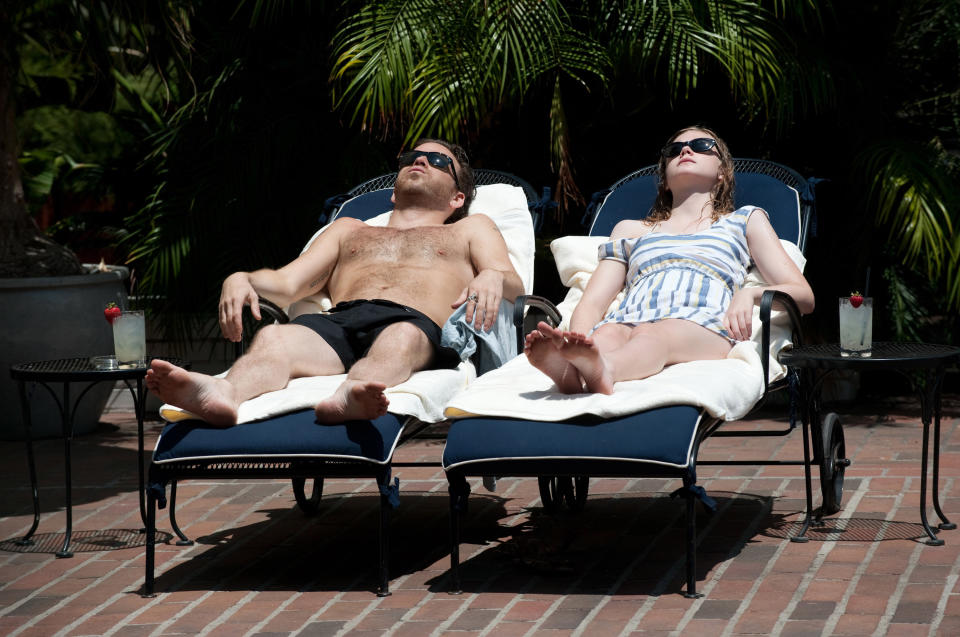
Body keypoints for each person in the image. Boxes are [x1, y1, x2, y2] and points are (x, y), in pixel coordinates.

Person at [147, 139, 524, 425]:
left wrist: (492, 275)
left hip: (415, 323)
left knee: (400, 337)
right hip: (340, 321)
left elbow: (513, 283)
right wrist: (241, 277)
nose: (420, 160)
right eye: (411, 157)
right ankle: (224, 393)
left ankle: (351, 395)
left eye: (439, 161)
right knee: (275, 338)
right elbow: (288, 283)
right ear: (393, 192)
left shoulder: (470, 229)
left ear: (458, 197)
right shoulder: (348, 230)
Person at [526, 125, 815, 394]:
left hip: (703, 326)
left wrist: (751, 294)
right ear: (664, 179)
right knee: (607, 335)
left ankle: (606, 370)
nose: (685, 151)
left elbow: (803, 295)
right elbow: (593, 301)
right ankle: (573, 372)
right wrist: (577, 343)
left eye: (701, 145)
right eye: (674, 150)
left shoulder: (744, 220)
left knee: (656, 335)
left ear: (722, 173)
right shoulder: (630, 230)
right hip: (629, 319)